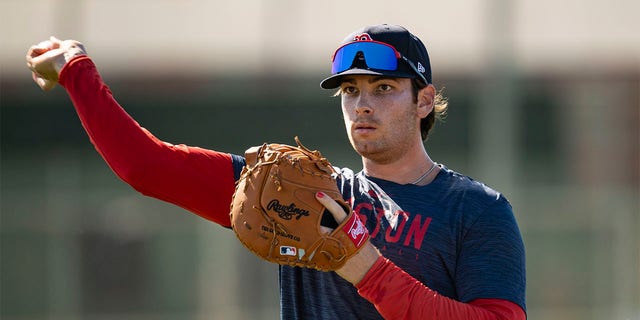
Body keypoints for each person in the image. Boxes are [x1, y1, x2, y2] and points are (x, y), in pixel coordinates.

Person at [26, 24, 526, 319]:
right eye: (350, 91)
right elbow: (146, 166)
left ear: (423, 101)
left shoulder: (476, 209)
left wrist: (365, 269)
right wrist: (76, 69)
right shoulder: (296, 192)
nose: (362, 105)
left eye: (383, 89)